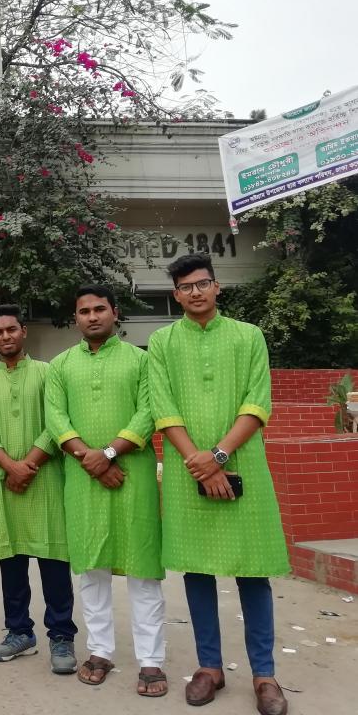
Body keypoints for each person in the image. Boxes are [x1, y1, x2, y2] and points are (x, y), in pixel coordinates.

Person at [148, 254, 290, 715]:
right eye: (185, 287)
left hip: (244, 465)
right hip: (190, 473)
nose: (195, 292)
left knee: (253, 571)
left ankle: (265, 674)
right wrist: (201, 464)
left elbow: (257, 401)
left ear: (217, 287)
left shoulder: (248, 336)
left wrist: (220, 456)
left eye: (202, 283)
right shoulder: (162, 342)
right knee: (197, 570)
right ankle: (209, 667)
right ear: (176, 294)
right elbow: (163, 407)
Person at [44, 285, 166, 697]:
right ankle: (99, 652)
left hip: (133, 477)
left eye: (100, 309)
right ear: (75, 318)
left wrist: (110, 453)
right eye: (84, 311)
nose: (92, 316)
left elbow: (149, 412)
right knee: (92, 570)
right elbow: (56, 418)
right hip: (82, 480)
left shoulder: (141, 360)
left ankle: (151, 661)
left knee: (142, 569)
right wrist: (90, 460)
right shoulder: (59, 366)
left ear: (115, 313)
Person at [0, 305, 76, 674]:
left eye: (11, 329)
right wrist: (10, 466)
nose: (5, 336)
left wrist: (28, 464)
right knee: (12, 560)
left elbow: (57, 422)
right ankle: (20, 633)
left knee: (53, 561)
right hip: (6, 483)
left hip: (45, 480)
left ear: (23, 332)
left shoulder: (48, 374)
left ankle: (61, 636)